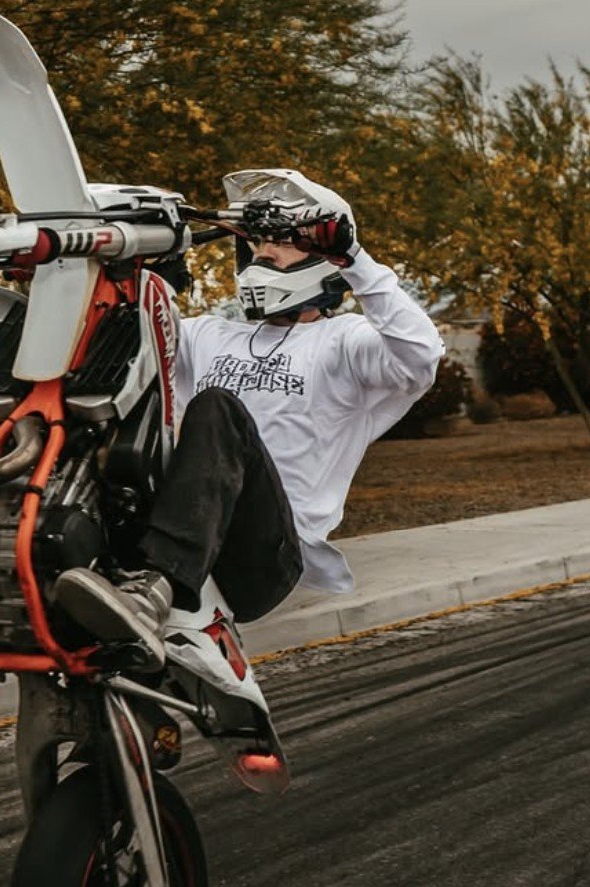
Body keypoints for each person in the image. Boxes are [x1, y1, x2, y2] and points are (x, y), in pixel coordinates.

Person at [54, 168, 445, 664]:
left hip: (267, 559)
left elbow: (421, 354)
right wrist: (135, 268)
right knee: (94, 419)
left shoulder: (345, 341)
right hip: (188, 534)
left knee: (218, 409)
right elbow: (123, 334)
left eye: (282, 242)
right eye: (257, 241)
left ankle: (158, 587)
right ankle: (26, 571)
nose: (263, 252)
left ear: (322, 256)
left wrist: (355, 259)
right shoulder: (209, 334)